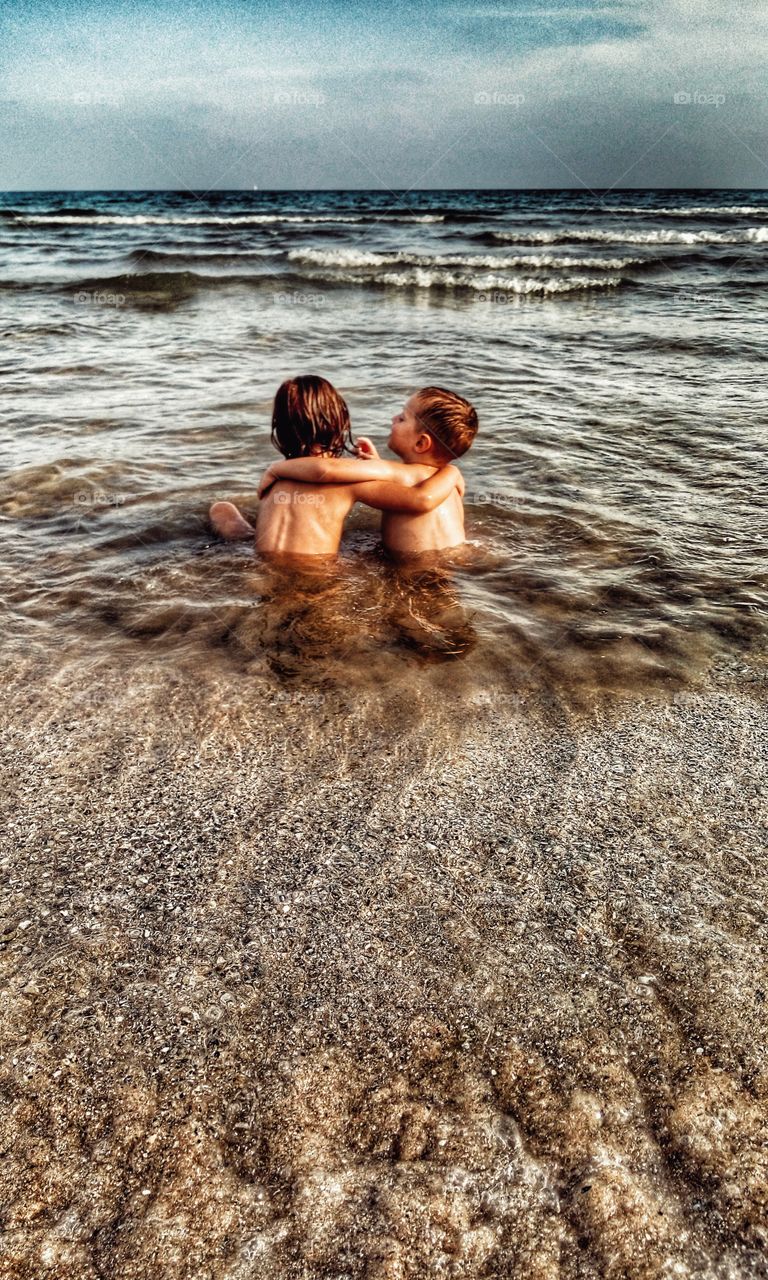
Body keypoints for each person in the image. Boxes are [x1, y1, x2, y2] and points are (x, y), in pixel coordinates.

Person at [209, 376, 467, 558]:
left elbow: (325, 471)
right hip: (315, 574)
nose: (393, 419)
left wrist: (275, 468)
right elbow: (413, 496)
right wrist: (452, 471)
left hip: (264, 564)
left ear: (280, 429)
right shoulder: (347, 483)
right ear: (339, 426)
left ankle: (230, 521)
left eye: (401, 418)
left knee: (222, 509)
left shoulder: (274, 482)